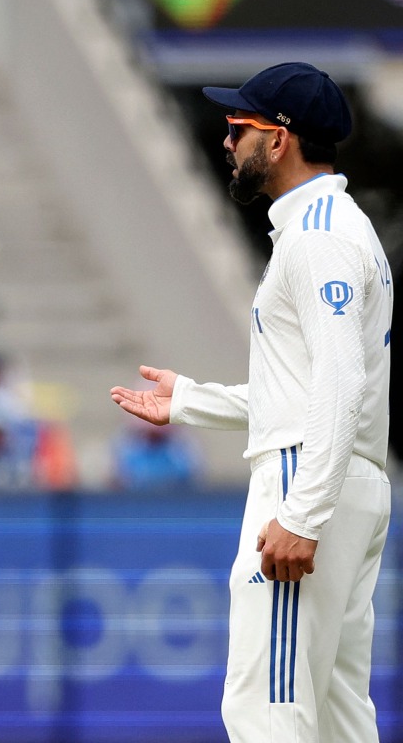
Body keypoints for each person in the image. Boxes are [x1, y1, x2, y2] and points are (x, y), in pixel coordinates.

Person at [110, 62, 393, 742]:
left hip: (308, 480)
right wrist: (194, 402)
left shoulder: (321, 236)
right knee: (334, 718)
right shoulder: (326, 229)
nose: (227, 141)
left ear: (280, 139)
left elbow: (338, 381)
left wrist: (303, 512)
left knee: (267, 712)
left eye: (240, 127)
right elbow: (306, 386)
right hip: (341, 478)